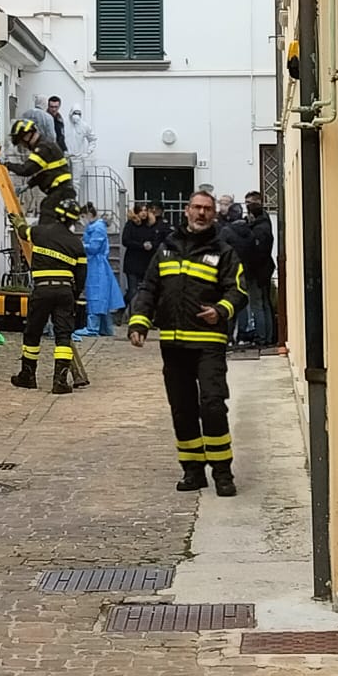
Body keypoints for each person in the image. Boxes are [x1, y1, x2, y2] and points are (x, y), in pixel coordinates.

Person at [126, 188, 246, 496]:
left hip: (208, 344)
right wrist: (139, 323)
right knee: (182, 409)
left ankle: (222, 472)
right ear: (187, 211)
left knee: (213, 406)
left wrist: (220, 310)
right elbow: (149, 288)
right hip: (174, 345)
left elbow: (238, 291)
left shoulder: (224, 251)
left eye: (207, 208)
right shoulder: (166, 248)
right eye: (196, 207)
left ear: (213, 214)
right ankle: (193, 471)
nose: (201, 213)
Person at [5, 112, 83, 393]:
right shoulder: (74, 243)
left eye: (21, 143)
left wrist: (6, 165)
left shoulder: (43, 148)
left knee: (33, 332)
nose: (23, 148)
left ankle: (28, 375)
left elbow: (28, 169)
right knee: (63, 334)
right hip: (65, 290)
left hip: (43, 288)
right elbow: (41, 176)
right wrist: (76, 294)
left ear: (27, 135)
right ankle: (60, 381)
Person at [77, 204, 123, 338]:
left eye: (83, 216)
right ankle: (105, 327)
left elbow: (93, 247)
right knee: (102, 296)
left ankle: (93, 327)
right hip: (96, 264)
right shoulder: (96, 227)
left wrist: (81, 245)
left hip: (96, 265)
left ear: (88, 214)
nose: (82, 220)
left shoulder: (97, 228)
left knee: (96, 294)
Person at [238, 192, 277, 346]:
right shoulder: (264, 222)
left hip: (257, 271)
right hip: (263, 269)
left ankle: (262, 338)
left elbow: (257, 250)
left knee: (258, 304)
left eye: (250, 203)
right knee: (264, 303)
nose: (247, 206)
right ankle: (267, 336)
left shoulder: (260, 227)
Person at [120, 203, 164, 307]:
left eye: (145, 210)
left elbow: (156, 239)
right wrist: (141, 245)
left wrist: (151, 245)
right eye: (140, 211)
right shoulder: (131, 224)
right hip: (133, 262)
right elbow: (125, 240)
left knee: (146, 290)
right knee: (132, 291)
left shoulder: (150, 225)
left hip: (146, 262)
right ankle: (125, 309)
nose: (143, 213)